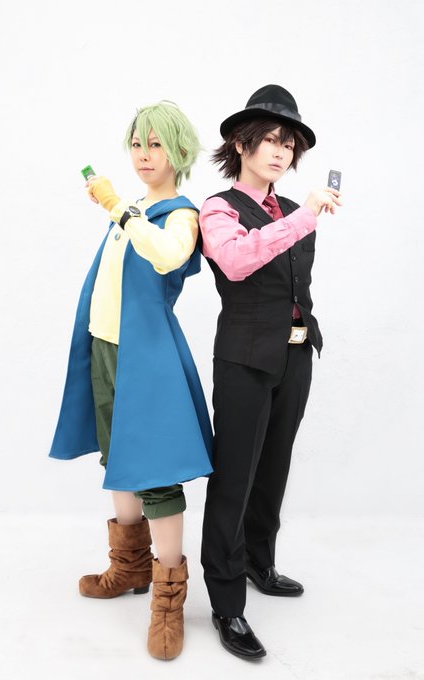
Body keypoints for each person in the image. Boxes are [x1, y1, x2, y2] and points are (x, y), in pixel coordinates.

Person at [49, 100, 213, 660]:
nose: (144, 155)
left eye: (156, 144)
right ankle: (130, 567)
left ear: (180, 151)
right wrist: (123, 207)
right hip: (105, 347)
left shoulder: (179, 214)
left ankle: (168, 600)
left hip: (148, 358)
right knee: (115, 456)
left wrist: (116, 205)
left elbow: (168, 257)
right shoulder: (137, 208)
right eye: (138, 144)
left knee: (157, 471)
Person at [199, 84, 342, 659]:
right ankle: (226, 602)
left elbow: (292, 280)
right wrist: (305, 216)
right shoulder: (218, 208)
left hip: (295, 355)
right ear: (242, 143)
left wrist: (301, 217)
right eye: (272, 141)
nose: (282, 152)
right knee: (235, 476)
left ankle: (259, 562)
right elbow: (237, 262)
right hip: (244, 359)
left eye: (290, 144)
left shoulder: (288, 210)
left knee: (274, 468)